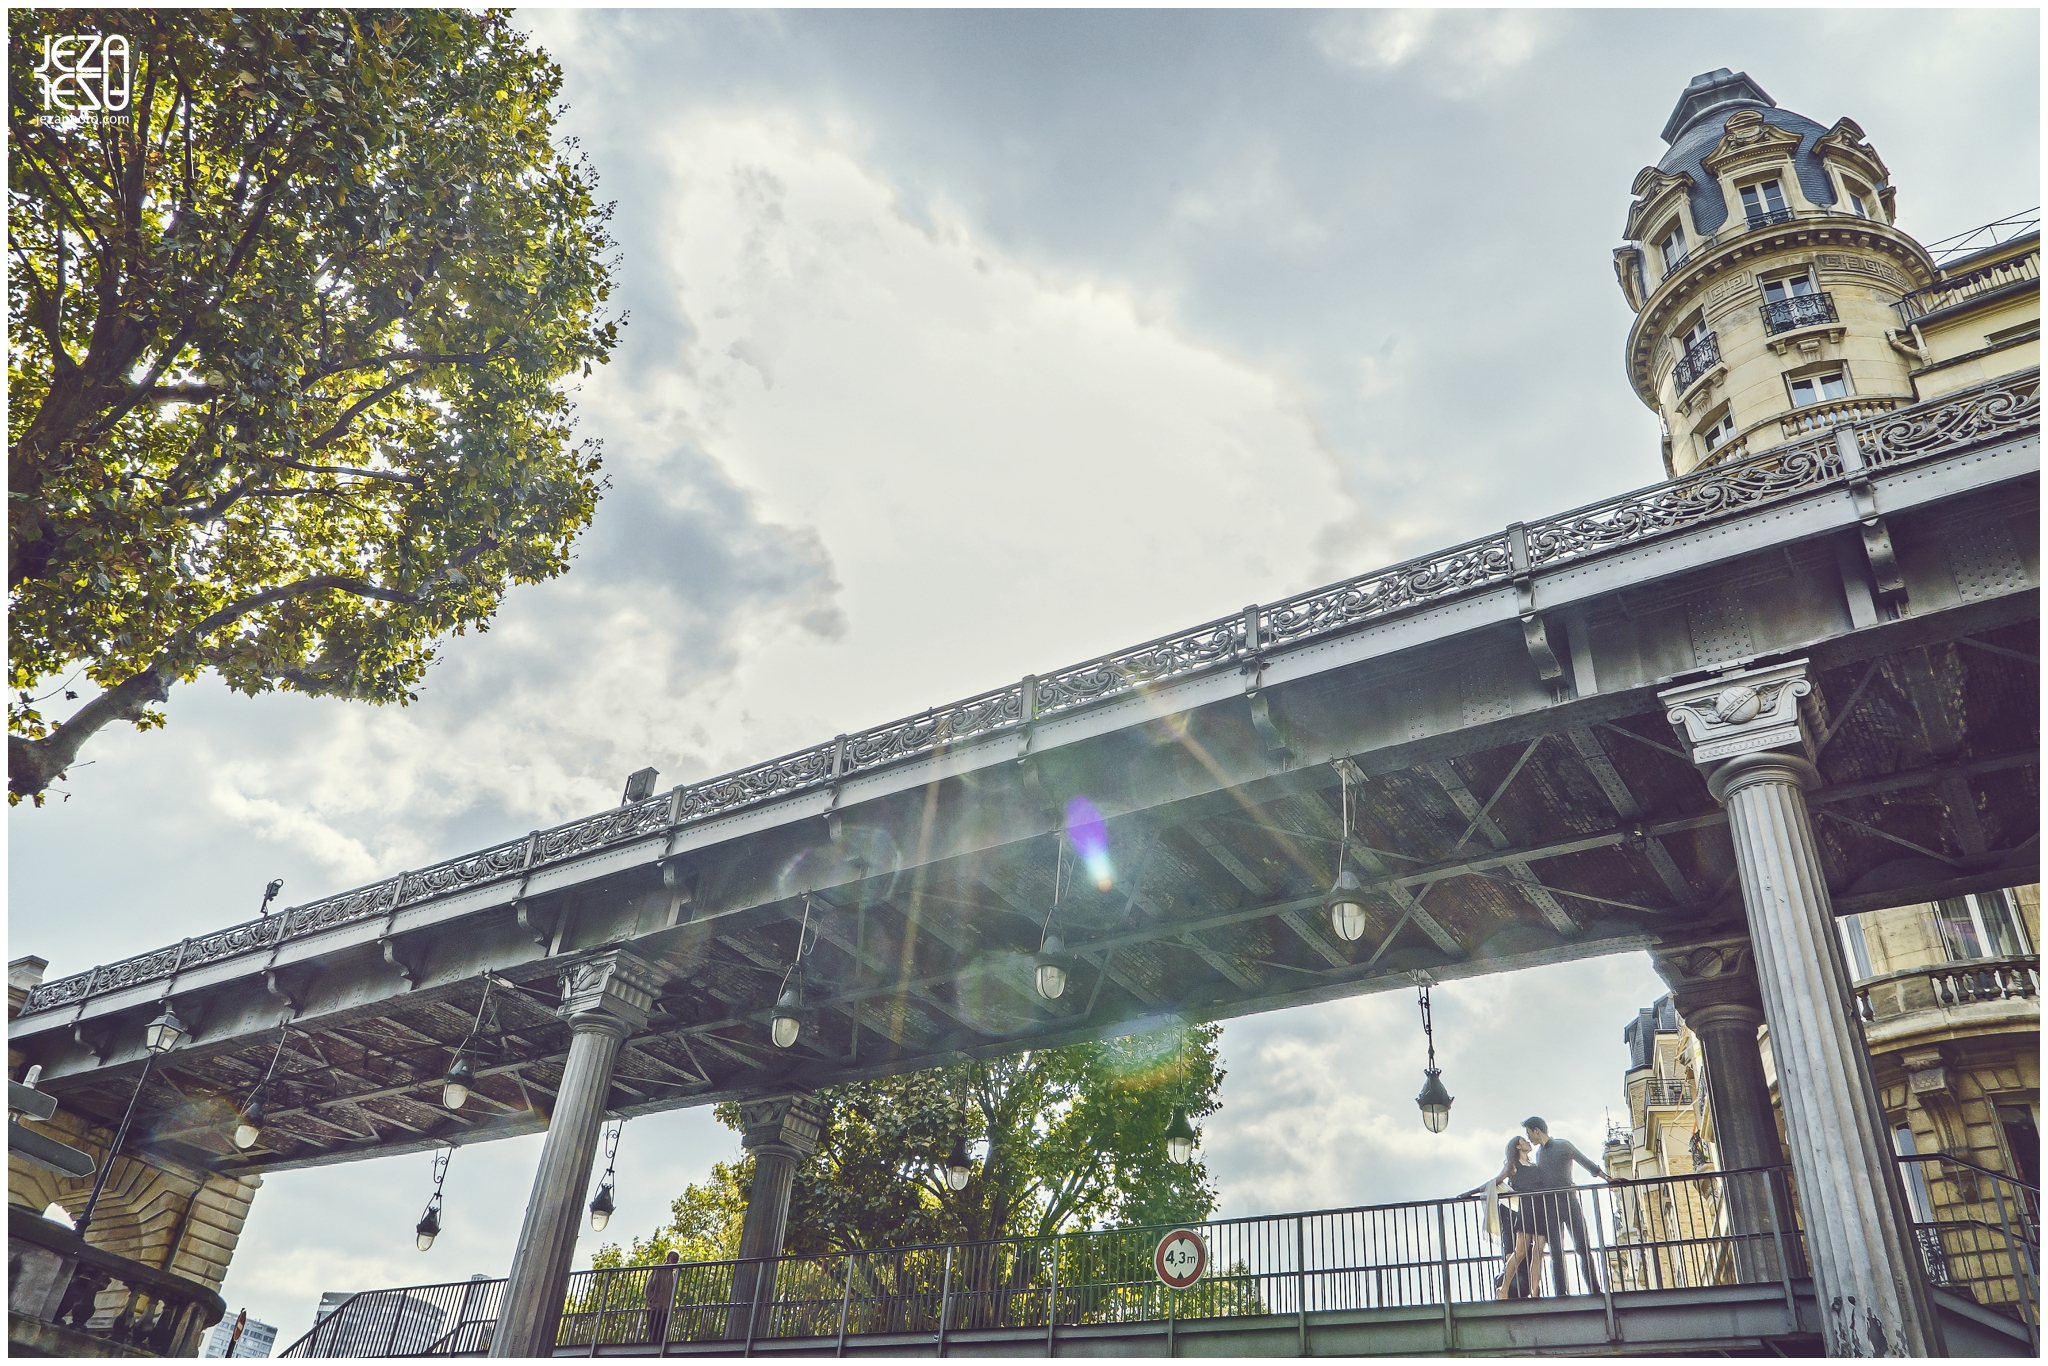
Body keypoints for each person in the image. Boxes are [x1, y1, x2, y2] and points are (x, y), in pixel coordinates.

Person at [1522, 1115, 1624, 1295]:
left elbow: (1586, 1163)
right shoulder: (1539, 1154)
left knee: (1582, 1245)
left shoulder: (1563, 1146)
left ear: (1537, 1130)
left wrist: (1608, 1179)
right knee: (1556, 1252)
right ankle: (1561, 1293)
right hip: (1550, 1206)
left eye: (1529, 1133)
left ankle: (1595, 1289)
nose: (1529, 1137)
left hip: (1569, 1201)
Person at [1460, 1135, 1546, 1298]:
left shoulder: (1534, 1165)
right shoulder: (1512, 1166)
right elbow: (1495, 1182)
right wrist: (1470, 1193)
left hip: (1539, 1207)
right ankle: (1504, 1288)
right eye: (1524, 1141)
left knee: (1538, 1250)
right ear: (1518, 1147)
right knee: (1521, 1250)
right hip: (1526, 1207)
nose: (1528, 1142)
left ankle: (1536, 1291)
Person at [644, 1251, 681, 1345]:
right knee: (654, 1336)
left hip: (665, 1310)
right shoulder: (659, 1270)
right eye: (673, 1259)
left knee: (661, 1338)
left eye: (676, 1260)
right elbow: (648, 1288)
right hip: (654, 1309)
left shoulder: (672, 1275)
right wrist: (653, 1301)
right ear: (668, 1258)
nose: (675, 1262)